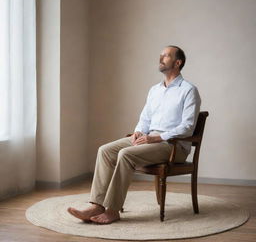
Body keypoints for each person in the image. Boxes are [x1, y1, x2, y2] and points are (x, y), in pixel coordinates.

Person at [67, 45, 201, 224]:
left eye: (166, 56)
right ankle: (96, 205)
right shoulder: (155, 90)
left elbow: (187, 126)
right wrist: (139, 131)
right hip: (149, 139)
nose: (161, 58)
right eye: (160, 55)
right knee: (105, 151)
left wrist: (158, 137)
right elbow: (145, 118)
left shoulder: (189, 90)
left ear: (178, 62)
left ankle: (113, 210)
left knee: (125, 154)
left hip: (172, 146)